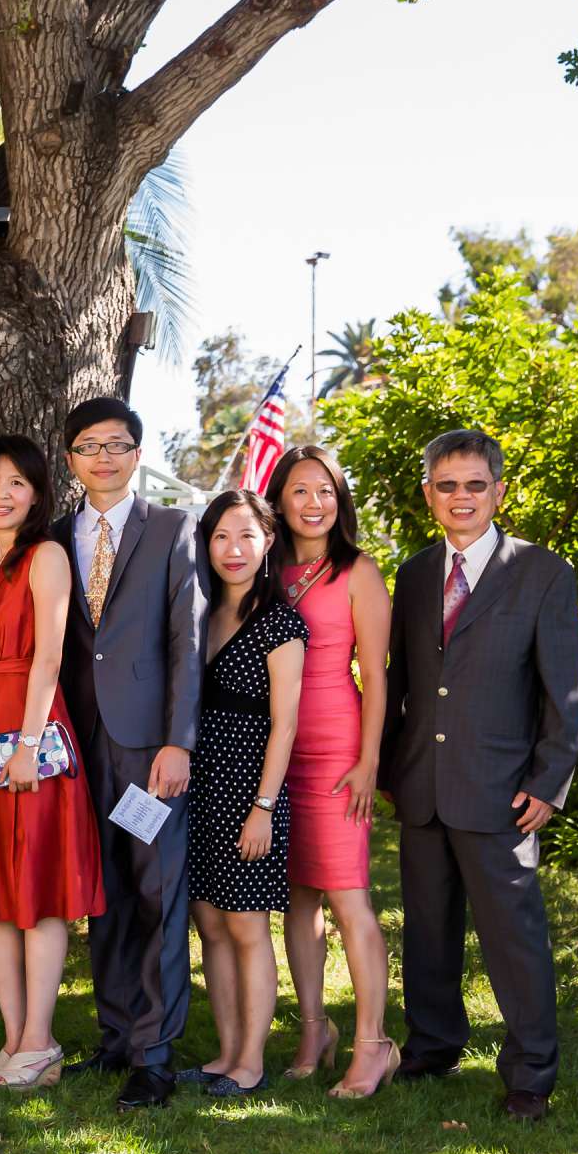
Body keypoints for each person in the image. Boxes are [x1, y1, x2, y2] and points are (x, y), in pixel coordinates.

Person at [382, 429, 578, 1122]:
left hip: (503, 790)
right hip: (423, 784)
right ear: (428, 494)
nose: (460, 497)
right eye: (446, 485)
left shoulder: (543, 573)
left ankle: (529, 1074)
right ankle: (432, 1046)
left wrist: (548, 780)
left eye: (474, 484)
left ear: (499, 490)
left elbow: (564, 692)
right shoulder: (410, 576)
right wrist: (387, 768)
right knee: (428, 931)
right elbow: (399, 681)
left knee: (513, 937)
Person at [51, 397, 205, 1111]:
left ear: (138, 454)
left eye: (117, 445)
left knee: (156, 894)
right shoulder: (56, 536)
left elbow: (186, 640)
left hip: (149, 752)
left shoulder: (173, 528)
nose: (104, 457)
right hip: (80, 748)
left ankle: (155, 1053)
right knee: (102, 894)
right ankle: (113, 1037)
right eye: (89, 446)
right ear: (71, 458)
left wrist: (178, 741)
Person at [0, 437, 104, 1090]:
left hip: (28, 731)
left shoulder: (45, 557)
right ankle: (13, 1041)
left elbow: (48, 656)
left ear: (38, 494)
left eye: (16, 483)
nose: (2, 493)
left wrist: (25, 744)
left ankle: (41, 1041)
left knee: (37, 889)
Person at [267, 445, 398, 1099]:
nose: (313, 502)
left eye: (325, 490)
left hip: (337, 745)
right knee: (297, 897)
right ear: (280, 498)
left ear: (339, 501)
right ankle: (315, 1029)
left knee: (349, 899)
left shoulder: (358, 573)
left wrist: (370, 761)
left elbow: (375, 676)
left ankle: (375, 1043)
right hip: (273, 751)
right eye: (299, 491)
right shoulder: (267, 571)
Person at [182, 490, 306, 1099]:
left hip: (249, 794)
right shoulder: (201, 613)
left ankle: (252, 1062)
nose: (233, 550)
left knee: (247, 927)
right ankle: (224, 1053)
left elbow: (285, 723)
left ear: (267, 543)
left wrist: (262, 809)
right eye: (221, 537)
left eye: (246, 537)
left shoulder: (280, 623)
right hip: (198, 790)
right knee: (209, 924)